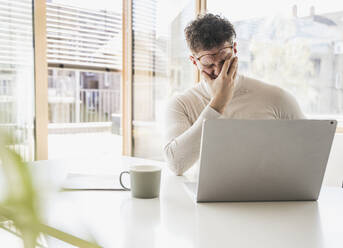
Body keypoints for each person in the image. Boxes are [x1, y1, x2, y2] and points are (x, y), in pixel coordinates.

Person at [163, 13, 305, 176]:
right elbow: (176, 165)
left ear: (235, 50)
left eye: (224, 60)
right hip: (208, 200)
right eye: (208, 64)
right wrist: (218, 104)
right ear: (194, 62)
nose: (219, 71)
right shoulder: (181, 104)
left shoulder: (278, 98)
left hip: (267, 195)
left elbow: (308, 153)